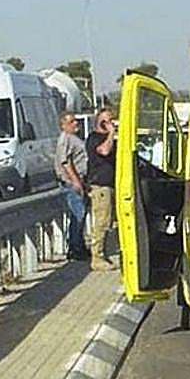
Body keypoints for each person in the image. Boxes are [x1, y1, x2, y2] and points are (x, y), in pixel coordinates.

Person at [84, 108, 118, 271]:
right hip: (100, 186)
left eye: (111, 120)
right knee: (101, 222)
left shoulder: (109, 140)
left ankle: (105, 254)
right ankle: (97, 257)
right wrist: (111, 134)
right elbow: (104, 151)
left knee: (110, 221)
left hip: (111, 185)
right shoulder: (94, 139)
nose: (110, 124)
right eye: (106, 121)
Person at [55, 112, 89, 261]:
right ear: (63, 125)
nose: (76, 123)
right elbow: (65, 162)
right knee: (78, 215)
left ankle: (79, 245)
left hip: (80, 180)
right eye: (71, 122)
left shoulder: (74, 138)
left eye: (76, 121)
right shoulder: (65, 139)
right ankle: (75, 249)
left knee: (80, 215)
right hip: (72, 183)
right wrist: (75, 181)